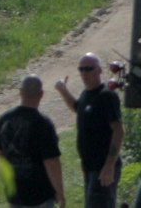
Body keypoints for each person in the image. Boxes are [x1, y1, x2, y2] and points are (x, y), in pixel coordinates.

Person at [54, 53, 124, 208]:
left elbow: (118, 131)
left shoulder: (106, 96)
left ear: (99, 71)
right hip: (90, 167)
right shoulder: (87, 94)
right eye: (81, 69)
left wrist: (109, 166)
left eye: (89, 69)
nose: (84, 73)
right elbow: (78, 108)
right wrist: (63, 90)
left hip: (103, 168)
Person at [0, 74, 64, 208]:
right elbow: (51, 162)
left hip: (15, 193)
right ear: (41, 94)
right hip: (40, 195)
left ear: (20, 92)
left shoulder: (4, 119)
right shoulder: (43, 123)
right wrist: (60, 193)